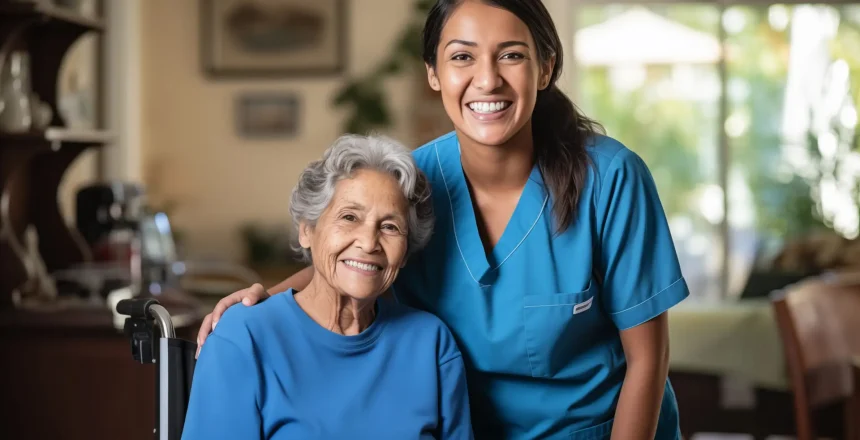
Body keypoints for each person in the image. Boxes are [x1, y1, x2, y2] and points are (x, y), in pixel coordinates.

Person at [197, 0, 690, 438]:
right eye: (462, 56)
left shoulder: (611, 178)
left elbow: (648, 360)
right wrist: (264, 300)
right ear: (433, 73)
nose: (487, 78)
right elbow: (356, 254)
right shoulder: (415, 181)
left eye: (512, 54)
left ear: (545, 68)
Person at [182, 134, 474, 439]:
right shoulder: (242, 339)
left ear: (405, 252)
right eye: (349, 217)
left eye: (390, 227)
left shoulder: (431, 343)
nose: (368, 242)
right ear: (307, 231)